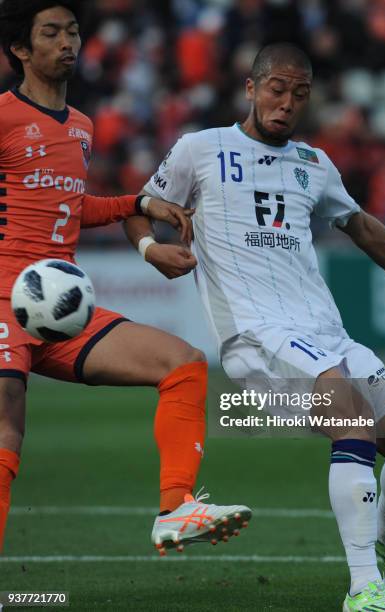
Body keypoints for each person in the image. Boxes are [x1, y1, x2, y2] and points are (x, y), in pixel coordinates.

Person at [125, 43, 385, 610]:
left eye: (300, 93)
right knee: (353, 419)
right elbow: (139, 203)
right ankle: (363, 585)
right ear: (251, 89)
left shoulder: (314, 164)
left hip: (325, 331)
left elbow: (360, 223)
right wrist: (151, 246)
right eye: (277, 89)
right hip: (257, 335)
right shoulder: (201, 149)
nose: (287, 102)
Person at [0, 0, 251, 557]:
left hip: (60, 311)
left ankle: (175, 510)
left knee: (183, 363)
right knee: (7, 429)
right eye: (51, 32)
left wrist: (138, 209)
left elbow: (70, 206)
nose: (68, 41)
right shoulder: (3, 116)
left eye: (72, 30)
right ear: (20, 48)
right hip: (3, 302)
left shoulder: (82, 128)